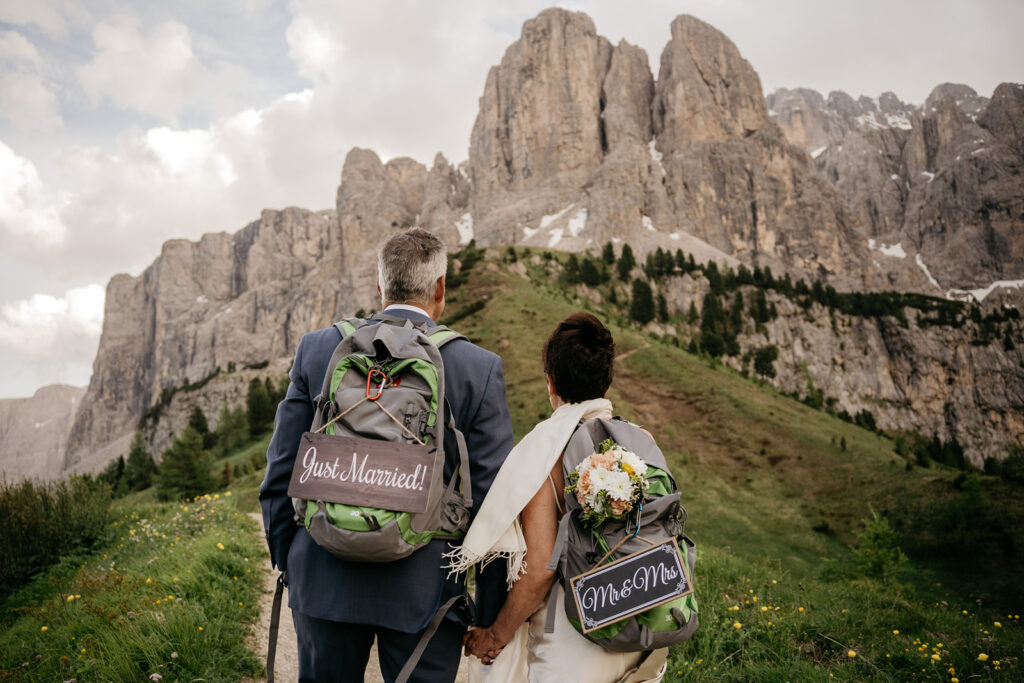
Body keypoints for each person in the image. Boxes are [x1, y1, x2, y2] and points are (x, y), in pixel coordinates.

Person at [259, 228, 514, 682]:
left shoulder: (318, 350)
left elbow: (281, 469)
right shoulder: (478, 368)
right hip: (426, 591)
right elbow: (495, 503)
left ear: (381, 287)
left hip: (322, 575)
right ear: (440, 289)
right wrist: (488, 612)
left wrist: (292, 559)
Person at [451, 312, 667, 682]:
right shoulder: (642, 442)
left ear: (550, 383)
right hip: (639, 628)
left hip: (571, 641)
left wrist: (495, 636)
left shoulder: (546, 453)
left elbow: (539, 571)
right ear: (607, 380)